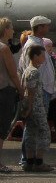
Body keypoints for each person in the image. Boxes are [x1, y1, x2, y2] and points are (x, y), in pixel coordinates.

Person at [19, 16, 56, 168]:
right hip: (39, 95)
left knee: (32, 129)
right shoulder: (33, 45)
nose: (48, 28)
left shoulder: (38, 43)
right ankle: (34, 160)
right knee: (40, 129)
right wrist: (30, 103)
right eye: (46, 26)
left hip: (43, 90)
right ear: (39, 27)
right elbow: (31, 87)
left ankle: (29, 160)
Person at [0, 17, 22, 173]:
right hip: (4, 89)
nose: (13, 30)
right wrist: (21, 90)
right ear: (5, 29)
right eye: (11, 27)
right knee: (2, 128)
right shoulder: (4, 49)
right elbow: (13, 73)